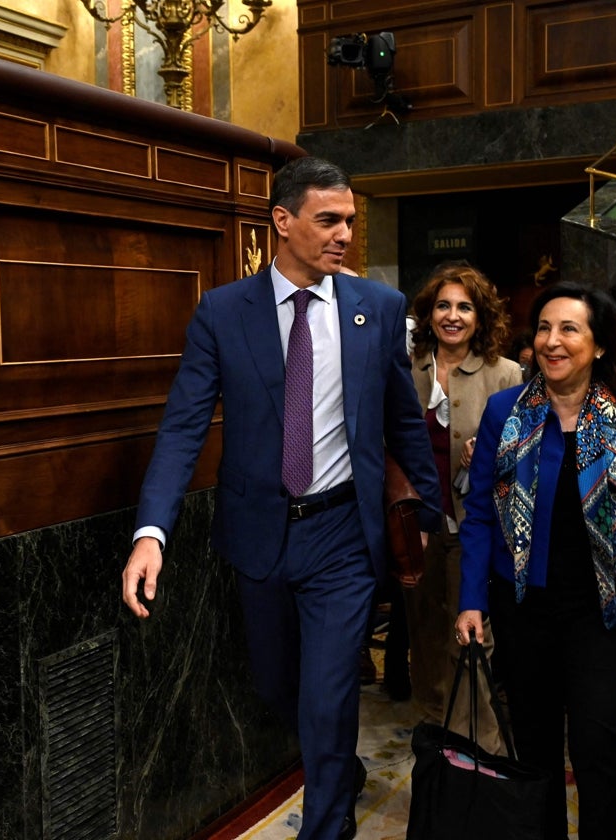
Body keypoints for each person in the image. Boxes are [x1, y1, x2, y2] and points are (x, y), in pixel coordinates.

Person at [121, 156, 441, 840]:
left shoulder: (377, 310)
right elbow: (182, 427)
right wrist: (152, 532)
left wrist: (430, 513)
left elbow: (403, 419)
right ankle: (337, 769)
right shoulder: (222, 312)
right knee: (277, 688)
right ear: (283, 221)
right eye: (328, 220)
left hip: (343, 537)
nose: (344, 234)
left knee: (329, 697)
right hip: (260, 534)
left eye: (350, 220)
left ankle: (327, 824)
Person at [453, 281, 616, 840]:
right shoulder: (505, 412)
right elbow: (479, 512)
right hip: (523, 604)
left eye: (569, 329)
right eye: (544, 329)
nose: (552, 342)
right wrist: (472, 600)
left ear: (599, 345)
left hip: (597, 611)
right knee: (533, 744)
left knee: (596, 741)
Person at [405, 260, 521, 754]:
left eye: (464, 307)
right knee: (425, 635)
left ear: (481, 316)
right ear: (429, 313)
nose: (452, 316)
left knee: (470, 636)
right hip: (416, 523)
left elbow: (525, 454)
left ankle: (480, 746)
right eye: (443, 306)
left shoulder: (506, 373)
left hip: (475, 525)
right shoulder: (405, 366)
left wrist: (494, 451)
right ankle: (435, 729)